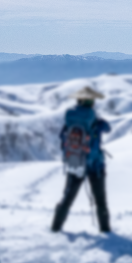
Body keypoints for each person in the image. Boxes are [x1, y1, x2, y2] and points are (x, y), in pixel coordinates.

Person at [51, 86, 112, 233]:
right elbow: (108, 128)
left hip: (75, 160)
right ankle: (105, 230)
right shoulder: (93, 118)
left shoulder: (70, 117)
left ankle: (55, 227)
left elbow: (62, 136)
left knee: (67, 197)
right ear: (91, 102)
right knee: (100, 200)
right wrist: (98, 121)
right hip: (95, 164)